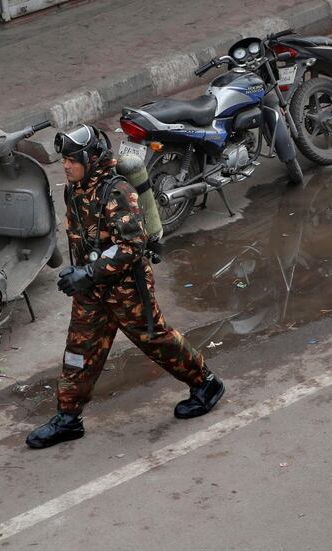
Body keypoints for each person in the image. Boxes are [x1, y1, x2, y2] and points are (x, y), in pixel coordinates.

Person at [26, 125, 224, 449]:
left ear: (91, 158)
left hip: (127, 289)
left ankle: (206, 384)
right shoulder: (74, 189)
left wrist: (88, 272)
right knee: (79, 350)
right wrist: (79, 274)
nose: (65, 165)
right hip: (91, 292)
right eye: (63, 159)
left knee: (156, 340)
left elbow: (132, 246)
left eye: (72, 159)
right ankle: (68, 417)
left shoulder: (117, 191)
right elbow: (80, 234)